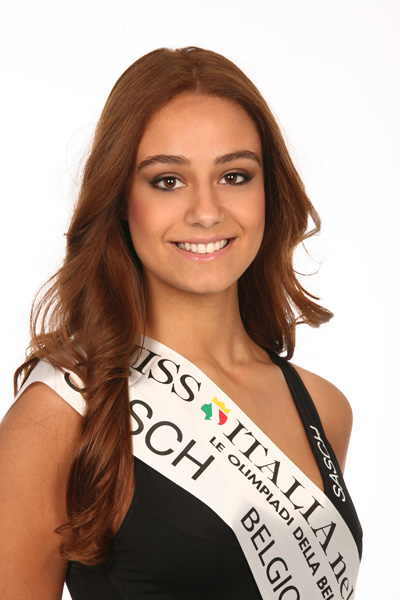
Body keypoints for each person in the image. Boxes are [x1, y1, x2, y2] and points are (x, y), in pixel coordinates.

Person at [0, 47, 362, 599]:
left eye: (235, 176)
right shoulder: (64, 411)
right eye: (168, 181)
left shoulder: (324, 409)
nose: (207, 212)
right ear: (121, 199)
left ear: (269, 192)